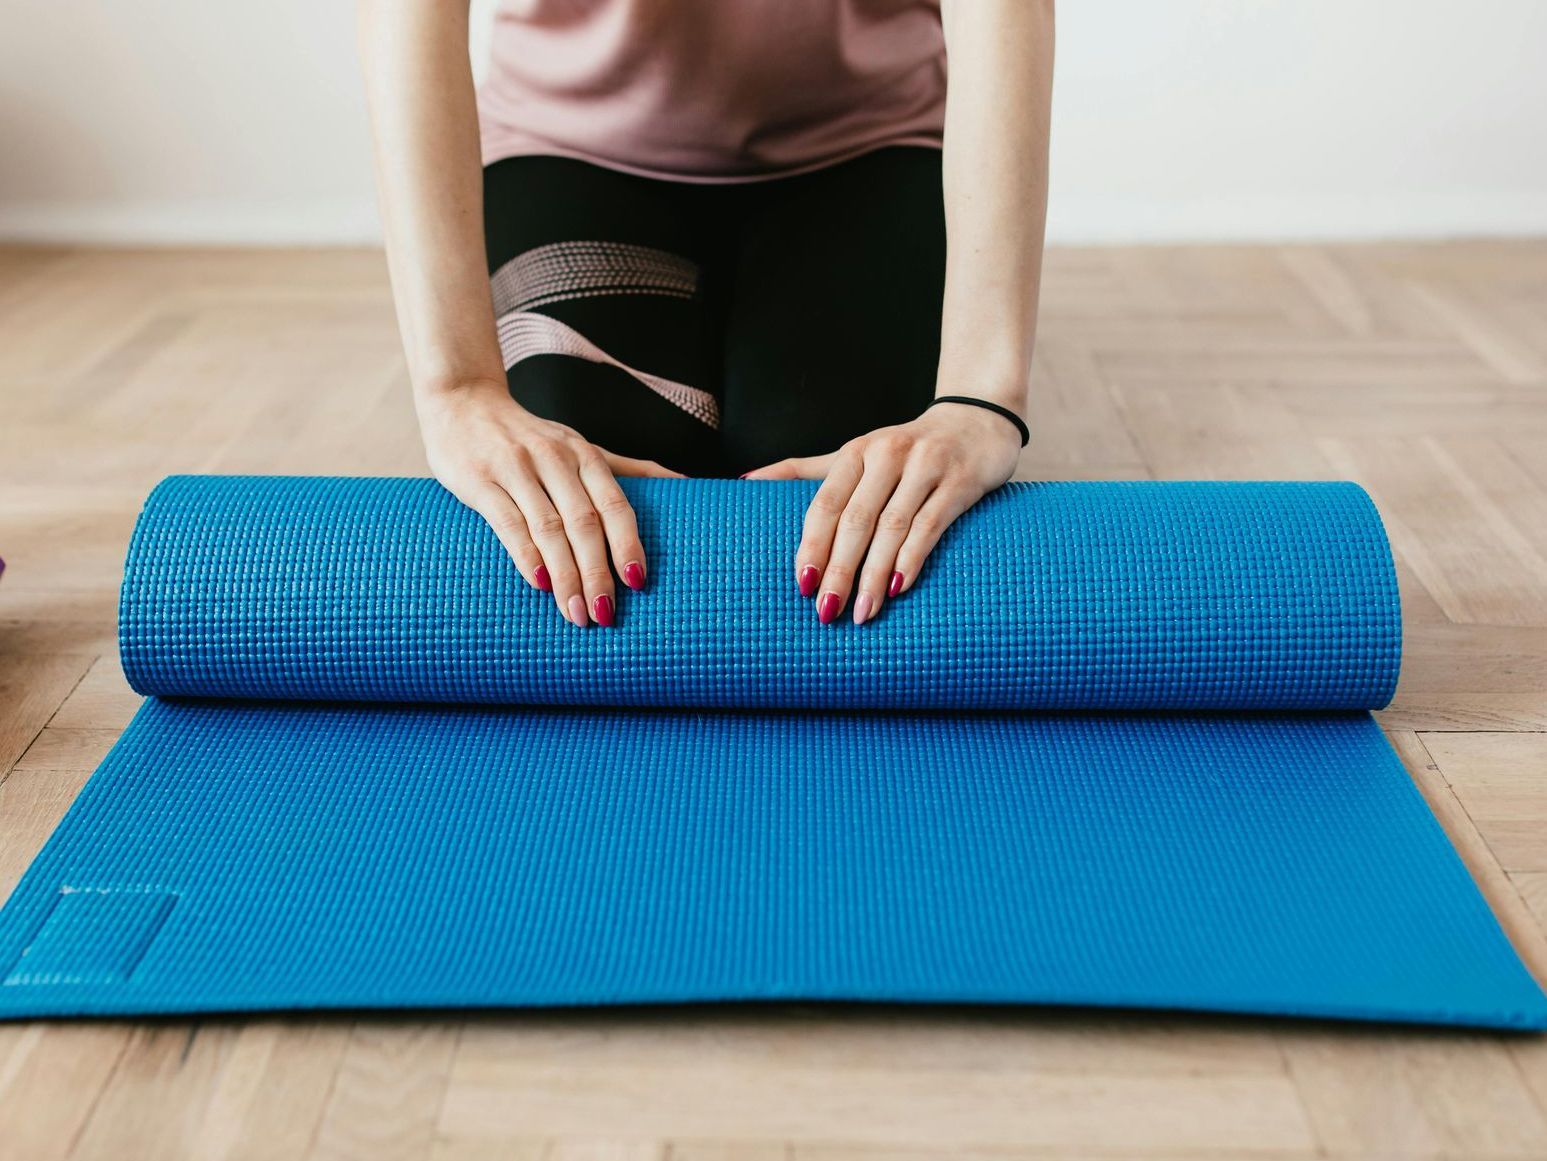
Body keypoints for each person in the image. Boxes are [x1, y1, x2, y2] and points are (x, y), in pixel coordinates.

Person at [359, 0, 1053, 627]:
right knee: (591, 479)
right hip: (570, 143)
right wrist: (458, 388)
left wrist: (980, 398)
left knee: (828, 492)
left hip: (869, 142)